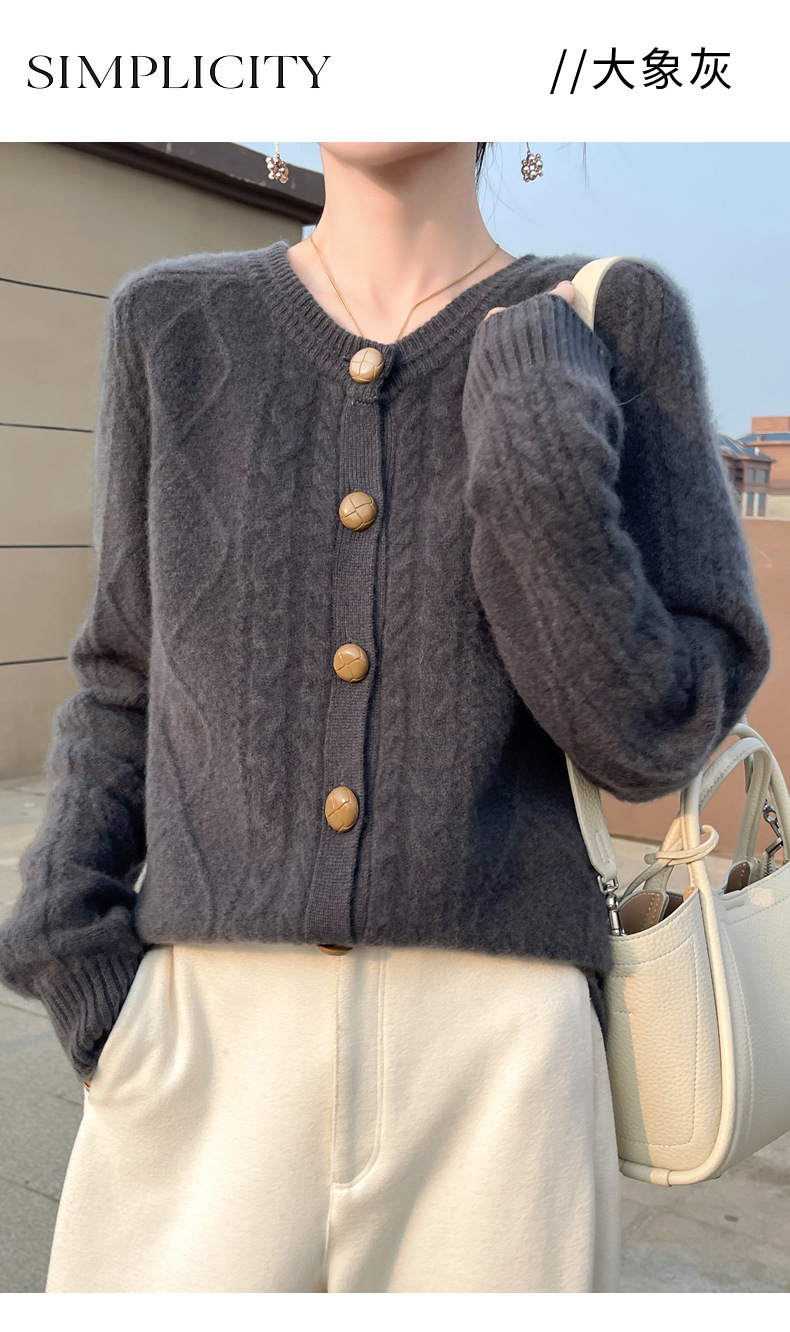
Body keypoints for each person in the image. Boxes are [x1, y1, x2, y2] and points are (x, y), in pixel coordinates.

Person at [0, 142, 771, 1293]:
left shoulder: (606, 319)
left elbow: (651, 733)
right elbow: (123, 671)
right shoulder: (172, 323)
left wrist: (536, 447)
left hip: (500, 1073)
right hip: (200, 1046)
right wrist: (70, 948)